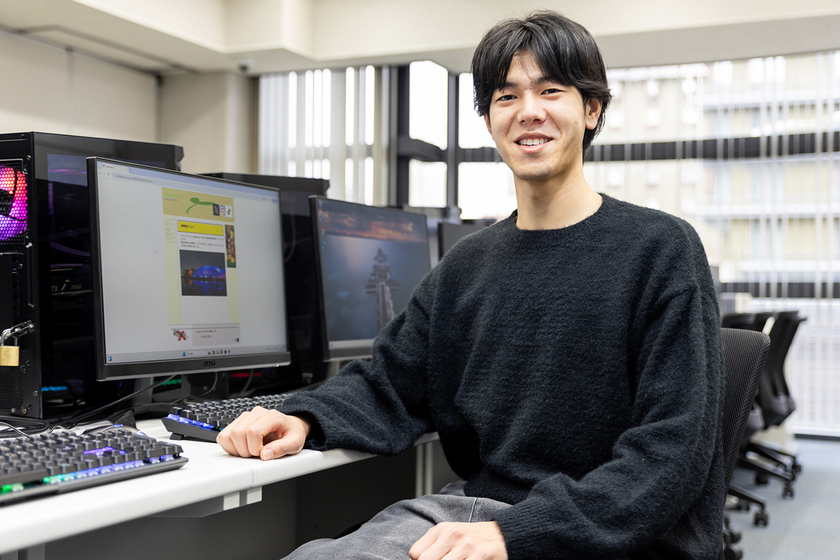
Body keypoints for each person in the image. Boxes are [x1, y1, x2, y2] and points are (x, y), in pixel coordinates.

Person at [218, 10, 725, 560]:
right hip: (475, 510)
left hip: (603, 531)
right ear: (488, 120)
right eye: (506, 97)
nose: (529, 112)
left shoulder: (660, 248)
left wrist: (519, 533)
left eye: (550, 90)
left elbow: (671, 451)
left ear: (592, 108)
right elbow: (392, 380)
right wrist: (303, 415)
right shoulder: (467, 265)